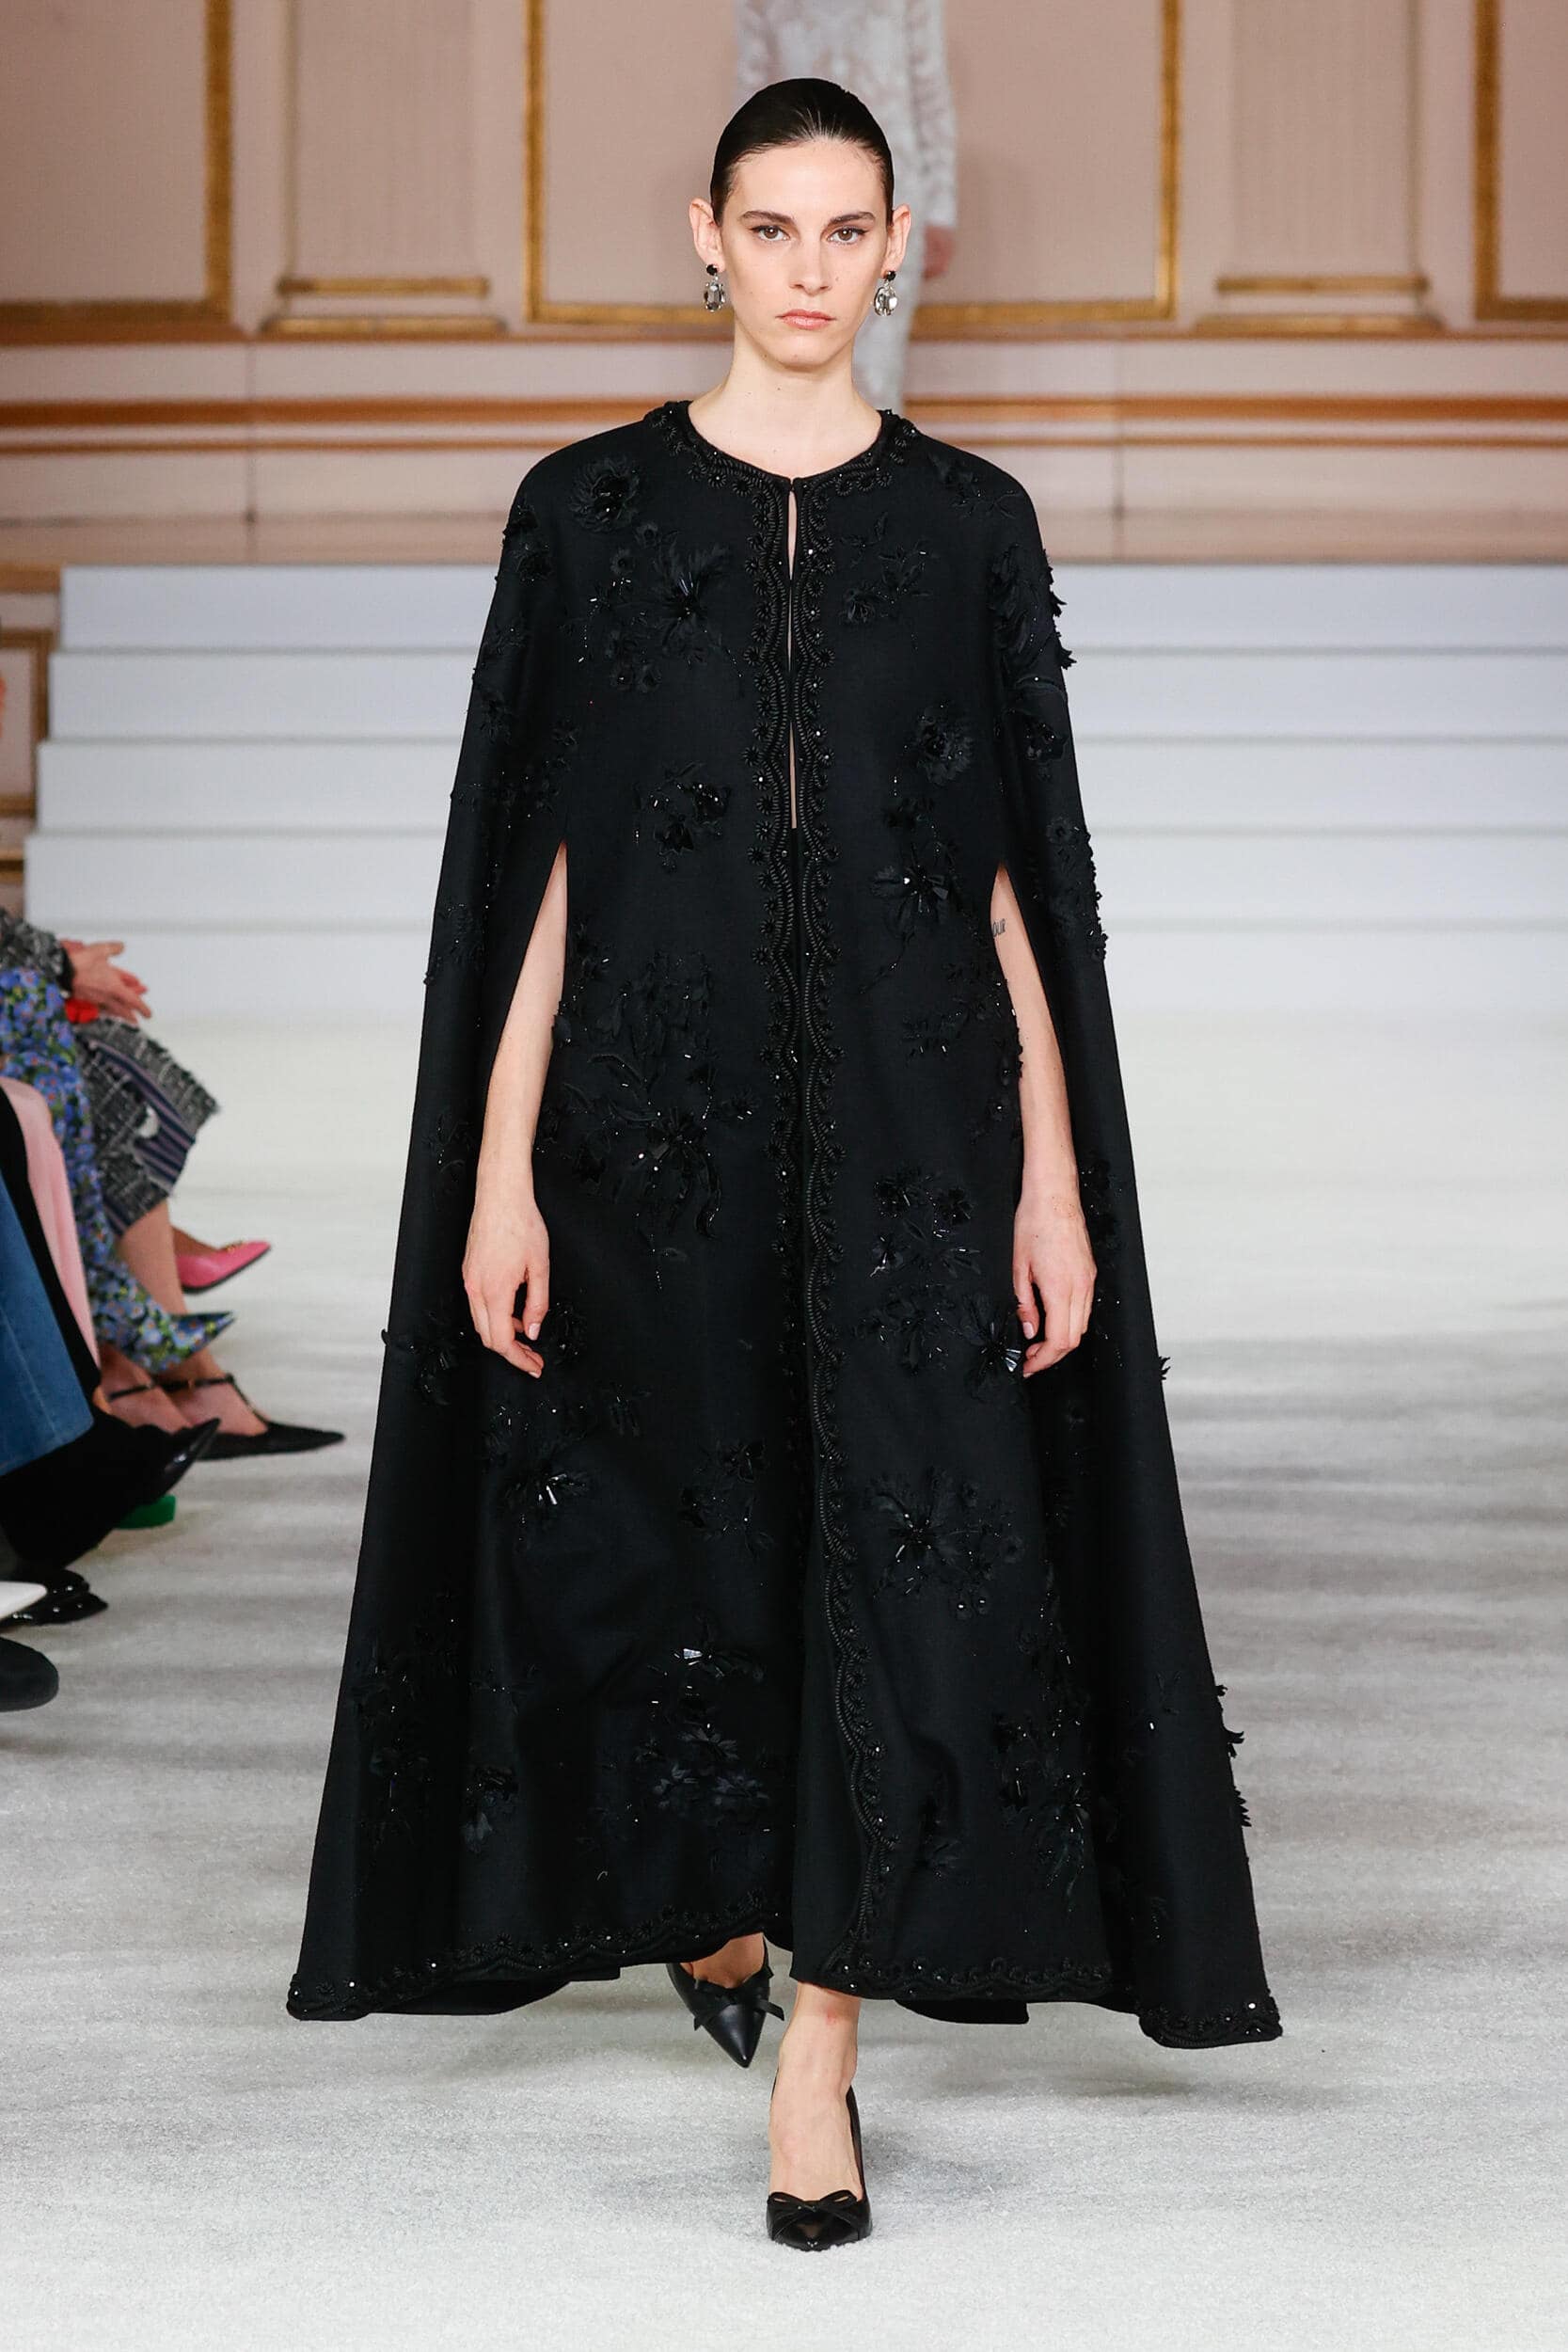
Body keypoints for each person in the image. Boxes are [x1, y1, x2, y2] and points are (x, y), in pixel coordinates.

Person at [287, 79, 1280, 2249]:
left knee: (900, 1575)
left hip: (918, 1143)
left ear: (899, 243)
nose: (811, 269)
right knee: (674, 1561)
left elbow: (1017, 892)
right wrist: (496, 1170)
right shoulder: (588, 515)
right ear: (704, 237)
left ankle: (817, 2052)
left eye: (847, 230)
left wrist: (1049, 1180)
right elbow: (533, 879)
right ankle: (720, 1915)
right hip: (647, 1138)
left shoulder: (968, 526)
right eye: (773, 227)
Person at [734, 0, 957, 411]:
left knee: (876, 376)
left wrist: (942, 210)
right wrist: (741, 208)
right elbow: (750, 96)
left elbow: (930, 92)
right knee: (789, 371)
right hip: (786, 206)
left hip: (885, 201)